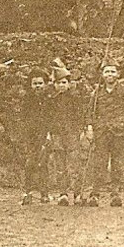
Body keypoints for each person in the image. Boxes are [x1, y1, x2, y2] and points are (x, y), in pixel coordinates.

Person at [85, 63, 124, 206]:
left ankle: (115, 194)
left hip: (119, 133)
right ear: (102, 75)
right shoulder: (97, 93)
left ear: (118, 74)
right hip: (101, 132)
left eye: (113, 72)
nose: (110, 75)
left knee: (117, 162)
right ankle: (95, 194)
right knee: (99, 162)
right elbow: (90, 112)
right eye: (107, 72)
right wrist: (89, 127)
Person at [47, 63, 87, 205]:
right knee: (60, 165)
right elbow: (48, 118)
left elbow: (81, 116)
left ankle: (77, 194)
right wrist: (49, 133)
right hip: (57, 135)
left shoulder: (75, 99)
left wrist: (81, 131)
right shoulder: (51, 100)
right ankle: (62, 193)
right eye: (58, 83)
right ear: (55, 85)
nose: (62, 85)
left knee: (74, 165)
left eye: (64, 82)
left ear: (69, 84)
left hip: (72, 135)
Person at [20, 68, 52, 204]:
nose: (38, 86)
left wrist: (49, 133)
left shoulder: (49, 99)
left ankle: (44, 192)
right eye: (35, 83)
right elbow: (23, 118)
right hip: (31, 135)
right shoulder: (27, 99)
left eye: (40, 83)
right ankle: (27, 192)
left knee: (43, 163)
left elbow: (51, 117)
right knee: (29, 162)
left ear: (45, 84)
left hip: (45, 134)